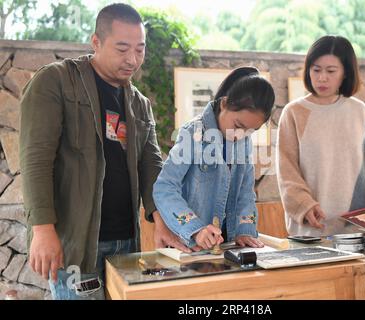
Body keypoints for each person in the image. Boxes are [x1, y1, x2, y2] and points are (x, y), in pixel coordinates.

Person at [19, 3, 188, 300]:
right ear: (96, 42)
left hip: (126, 243)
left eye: (139, 49)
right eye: (122, 49)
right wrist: (43, 229)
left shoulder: (139, 103)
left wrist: (161, 220)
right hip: (76, 243)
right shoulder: (56, 81)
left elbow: (151, 166)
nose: (132, 59)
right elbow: (36, 159)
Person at [276, 35, 365, 237]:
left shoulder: (358, 111)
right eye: (316, 70)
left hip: (358, 231)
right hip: (311, 231)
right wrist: (304, 205)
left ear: (345, 73)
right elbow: (286, 171)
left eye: (331, 71)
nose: (322, 77)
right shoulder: (294, 113)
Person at [153, 67, 275, 250]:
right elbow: (164, 187)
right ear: (224, 104)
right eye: (239, 125)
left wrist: (245, 230)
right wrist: (195, 229)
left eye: (251, 131)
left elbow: (245, 192)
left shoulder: (244, 142)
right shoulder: (192, 134)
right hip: (189, 246)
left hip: (227, 246)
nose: (241, 135)